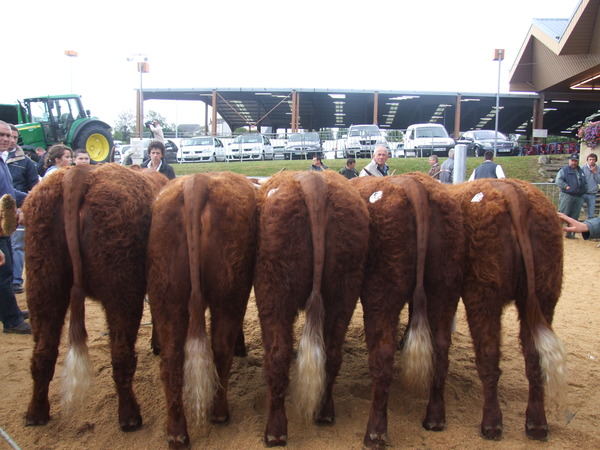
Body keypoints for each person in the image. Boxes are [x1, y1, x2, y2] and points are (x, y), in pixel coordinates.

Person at [0, 120, 30, 334]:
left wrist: (34, 198)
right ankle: (11, 320)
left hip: (4, 227)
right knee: (4, 273)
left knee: (7, 272)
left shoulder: (3, 161)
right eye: (2, 135)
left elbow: (10, 192)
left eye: (10, 136)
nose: (7, 139)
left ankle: (11, 311)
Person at [6, 124, 38, 294]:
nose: (10, 140)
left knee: (16, 245)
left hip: (17, 210)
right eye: (6, 136)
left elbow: (33, 186)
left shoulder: (25, 161)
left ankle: (16, 280)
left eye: (14, 137)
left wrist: (27, 203)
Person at [556, 153, 586, 239]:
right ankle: (557, 232)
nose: (574, 162)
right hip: (567, 195)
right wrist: (566, 186)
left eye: (575, 161)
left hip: (578, 196)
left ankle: (570, 234)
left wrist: (584, 189)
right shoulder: (564, 170)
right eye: (572, 160)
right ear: (569, 161)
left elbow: (584, 182)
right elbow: (558, 180)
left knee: (574, 216)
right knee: (563, 214)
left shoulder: (581, 171)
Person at [581, 153, 600, 219]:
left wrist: (595, 173)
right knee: (577, 210)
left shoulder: (598, 169)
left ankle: (589, 227)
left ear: (595, 161)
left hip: (592, 193)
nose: (591, 161)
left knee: (591, 213)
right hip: (582, 193)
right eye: (590, 159)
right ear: (587, 160)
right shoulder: (582, 168)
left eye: (593, 159)